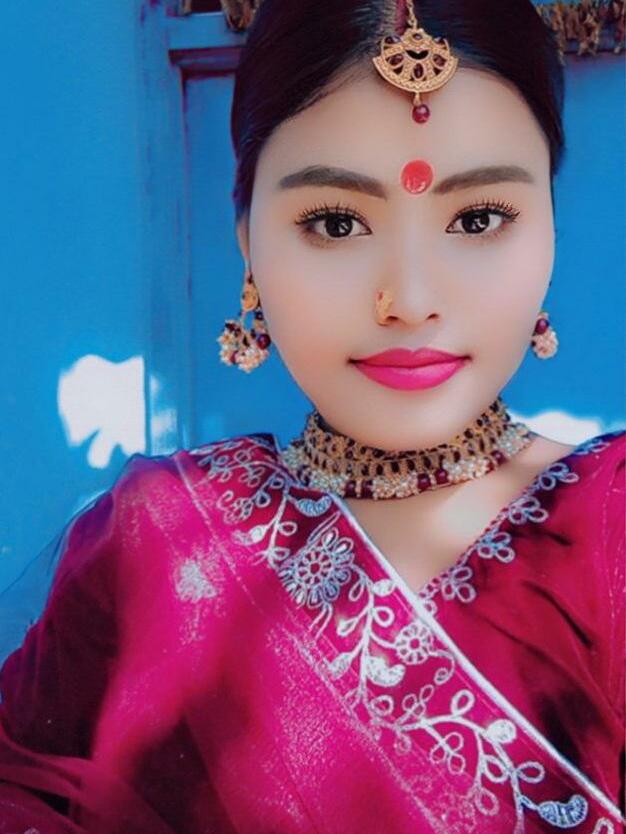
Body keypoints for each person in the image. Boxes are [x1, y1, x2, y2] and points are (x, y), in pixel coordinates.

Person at [0, 0, 623, 831]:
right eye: (335, 222)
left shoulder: (611, 532)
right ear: (248, 243)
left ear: (549, 229)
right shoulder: (160, 543)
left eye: (478, 219)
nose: (410, 300)